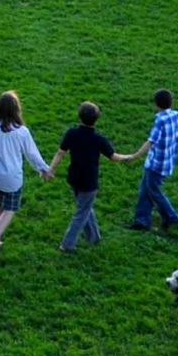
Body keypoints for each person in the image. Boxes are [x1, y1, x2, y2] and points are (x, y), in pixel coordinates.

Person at [44, 103, 125, 253]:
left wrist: (51, 170)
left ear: (79, 116)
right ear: (97, 119)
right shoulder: (98, 139)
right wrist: (131, 157)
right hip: (89, 181)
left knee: (85, 207)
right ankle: (67, 244)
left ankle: (94, 237)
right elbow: (113, 157)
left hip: (74, 178)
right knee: (82, 211)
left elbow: (60, 153)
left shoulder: (71, 133)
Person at [0, 92, 50, 255]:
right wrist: (44, 168)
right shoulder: (22, 131)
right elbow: (32, 154)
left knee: (0, 204)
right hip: (12, 179)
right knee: (10, 209)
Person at [123, 90, 178, 233]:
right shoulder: (176, 115)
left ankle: (172, 217)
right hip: (166, 163)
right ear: (171, 102)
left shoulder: (160, 120)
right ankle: (142, 220)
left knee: (154, 192)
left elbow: (150, 142)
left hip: (156, 165)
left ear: (156, 105)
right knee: (145, 190)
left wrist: (134, 156)